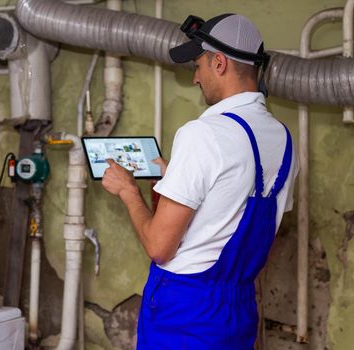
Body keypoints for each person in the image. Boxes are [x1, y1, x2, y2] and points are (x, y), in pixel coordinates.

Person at [101, 13, 298, 349]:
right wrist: (177, 177)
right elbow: (233, 205)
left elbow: (159, 247)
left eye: (198, 65)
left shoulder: (202, 134)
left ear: (219, 63)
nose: (195, 78)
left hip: (186, 313)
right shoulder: (283, 139)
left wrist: (129, 191)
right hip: (237, 311)